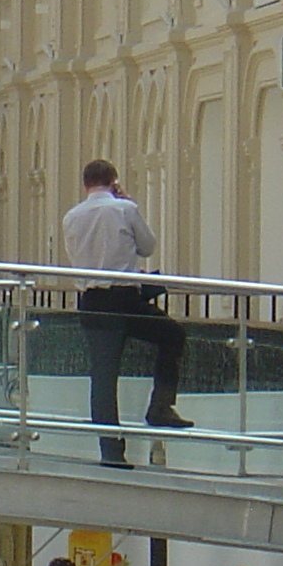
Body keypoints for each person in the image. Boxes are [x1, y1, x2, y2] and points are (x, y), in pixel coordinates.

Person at [61, 158, 194, 467]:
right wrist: (127, 203)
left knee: (103, 378)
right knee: (172, 335)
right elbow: (147, 246)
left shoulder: (71, 217)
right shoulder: (123, 209)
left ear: (85, 185)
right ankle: (160, 405)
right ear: (113, 182)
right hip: (125, 299)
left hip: (93, 302)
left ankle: (111, 452)